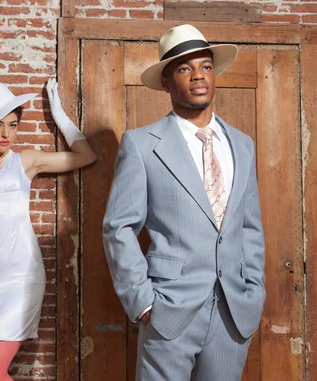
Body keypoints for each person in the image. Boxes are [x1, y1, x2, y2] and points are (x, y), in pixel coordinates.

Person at [102, 24, 266, 380]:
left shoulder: (242, 144)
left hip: (234, 314)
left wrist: (254, 290)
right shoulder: (142, 145)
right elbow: (118, 227)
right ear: (165, 81)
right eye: (184, 68)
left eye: (205, 66)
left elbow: (250, 225)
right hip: (168, 310)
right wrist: (142, 301)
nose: (198, 76)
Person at [0, 79, 96, 381]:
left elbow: (86, 156)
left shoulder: (26, 161)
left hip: (18, 277)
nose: (7, 133)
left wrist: (59, 113)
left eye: (13, 124)